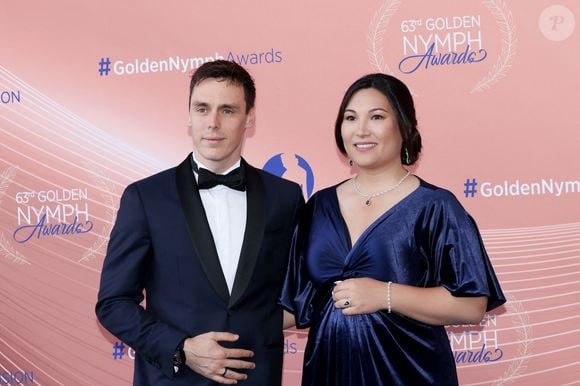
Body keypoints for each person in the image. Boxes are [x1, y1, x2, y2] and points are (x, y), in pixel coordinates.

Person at [280, 73, 505, 386]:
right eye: (350, 117)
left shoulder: (436, 206)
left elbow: (471, 305)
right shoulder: (318, 206)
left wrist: (385, 294)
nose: (360, 130)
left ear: (404, 126)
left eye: (376, 116)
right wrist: (213, 323)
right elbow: (292, 303)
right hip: (329, 370)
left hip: (408, 372)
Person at [96, 60, 304, 386]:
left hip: (257, 377)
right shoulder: (145, 198)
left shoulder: (285, 197)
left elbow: (299, 292)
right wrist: (181, 348)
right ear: (188, 116)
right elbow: (113, 303)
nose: (214, 123)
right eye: (203, 109)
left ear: (249, 118)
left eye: (228, 110)